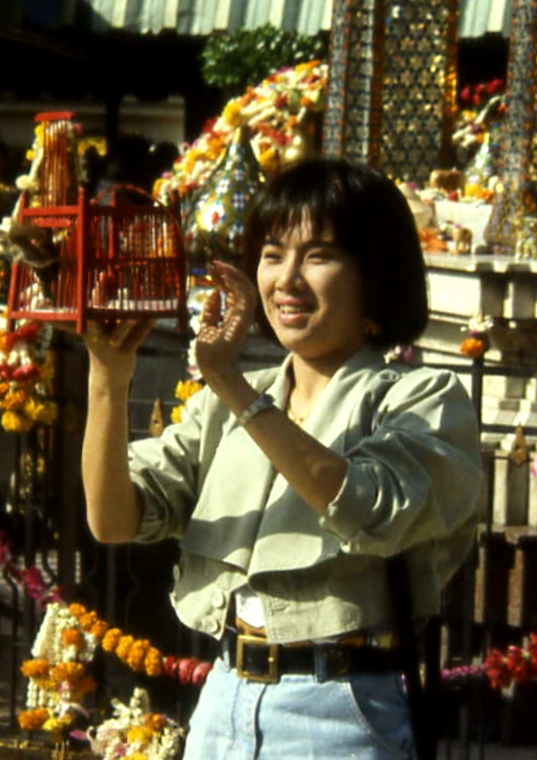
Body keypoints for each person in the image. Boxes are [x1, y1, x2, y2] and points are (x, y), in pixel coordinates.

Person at [79, 159, 482, 760]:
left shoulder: (416, 397)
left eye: (319, 256)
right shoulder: (227, 404)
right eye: (272, 253)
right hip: (222, 700)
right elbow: (112, 520)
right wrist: (109, 376)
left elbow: (373, 510)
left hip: (340, 708)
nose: (286, 280)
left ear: (376, 273)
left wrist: (235, 389)